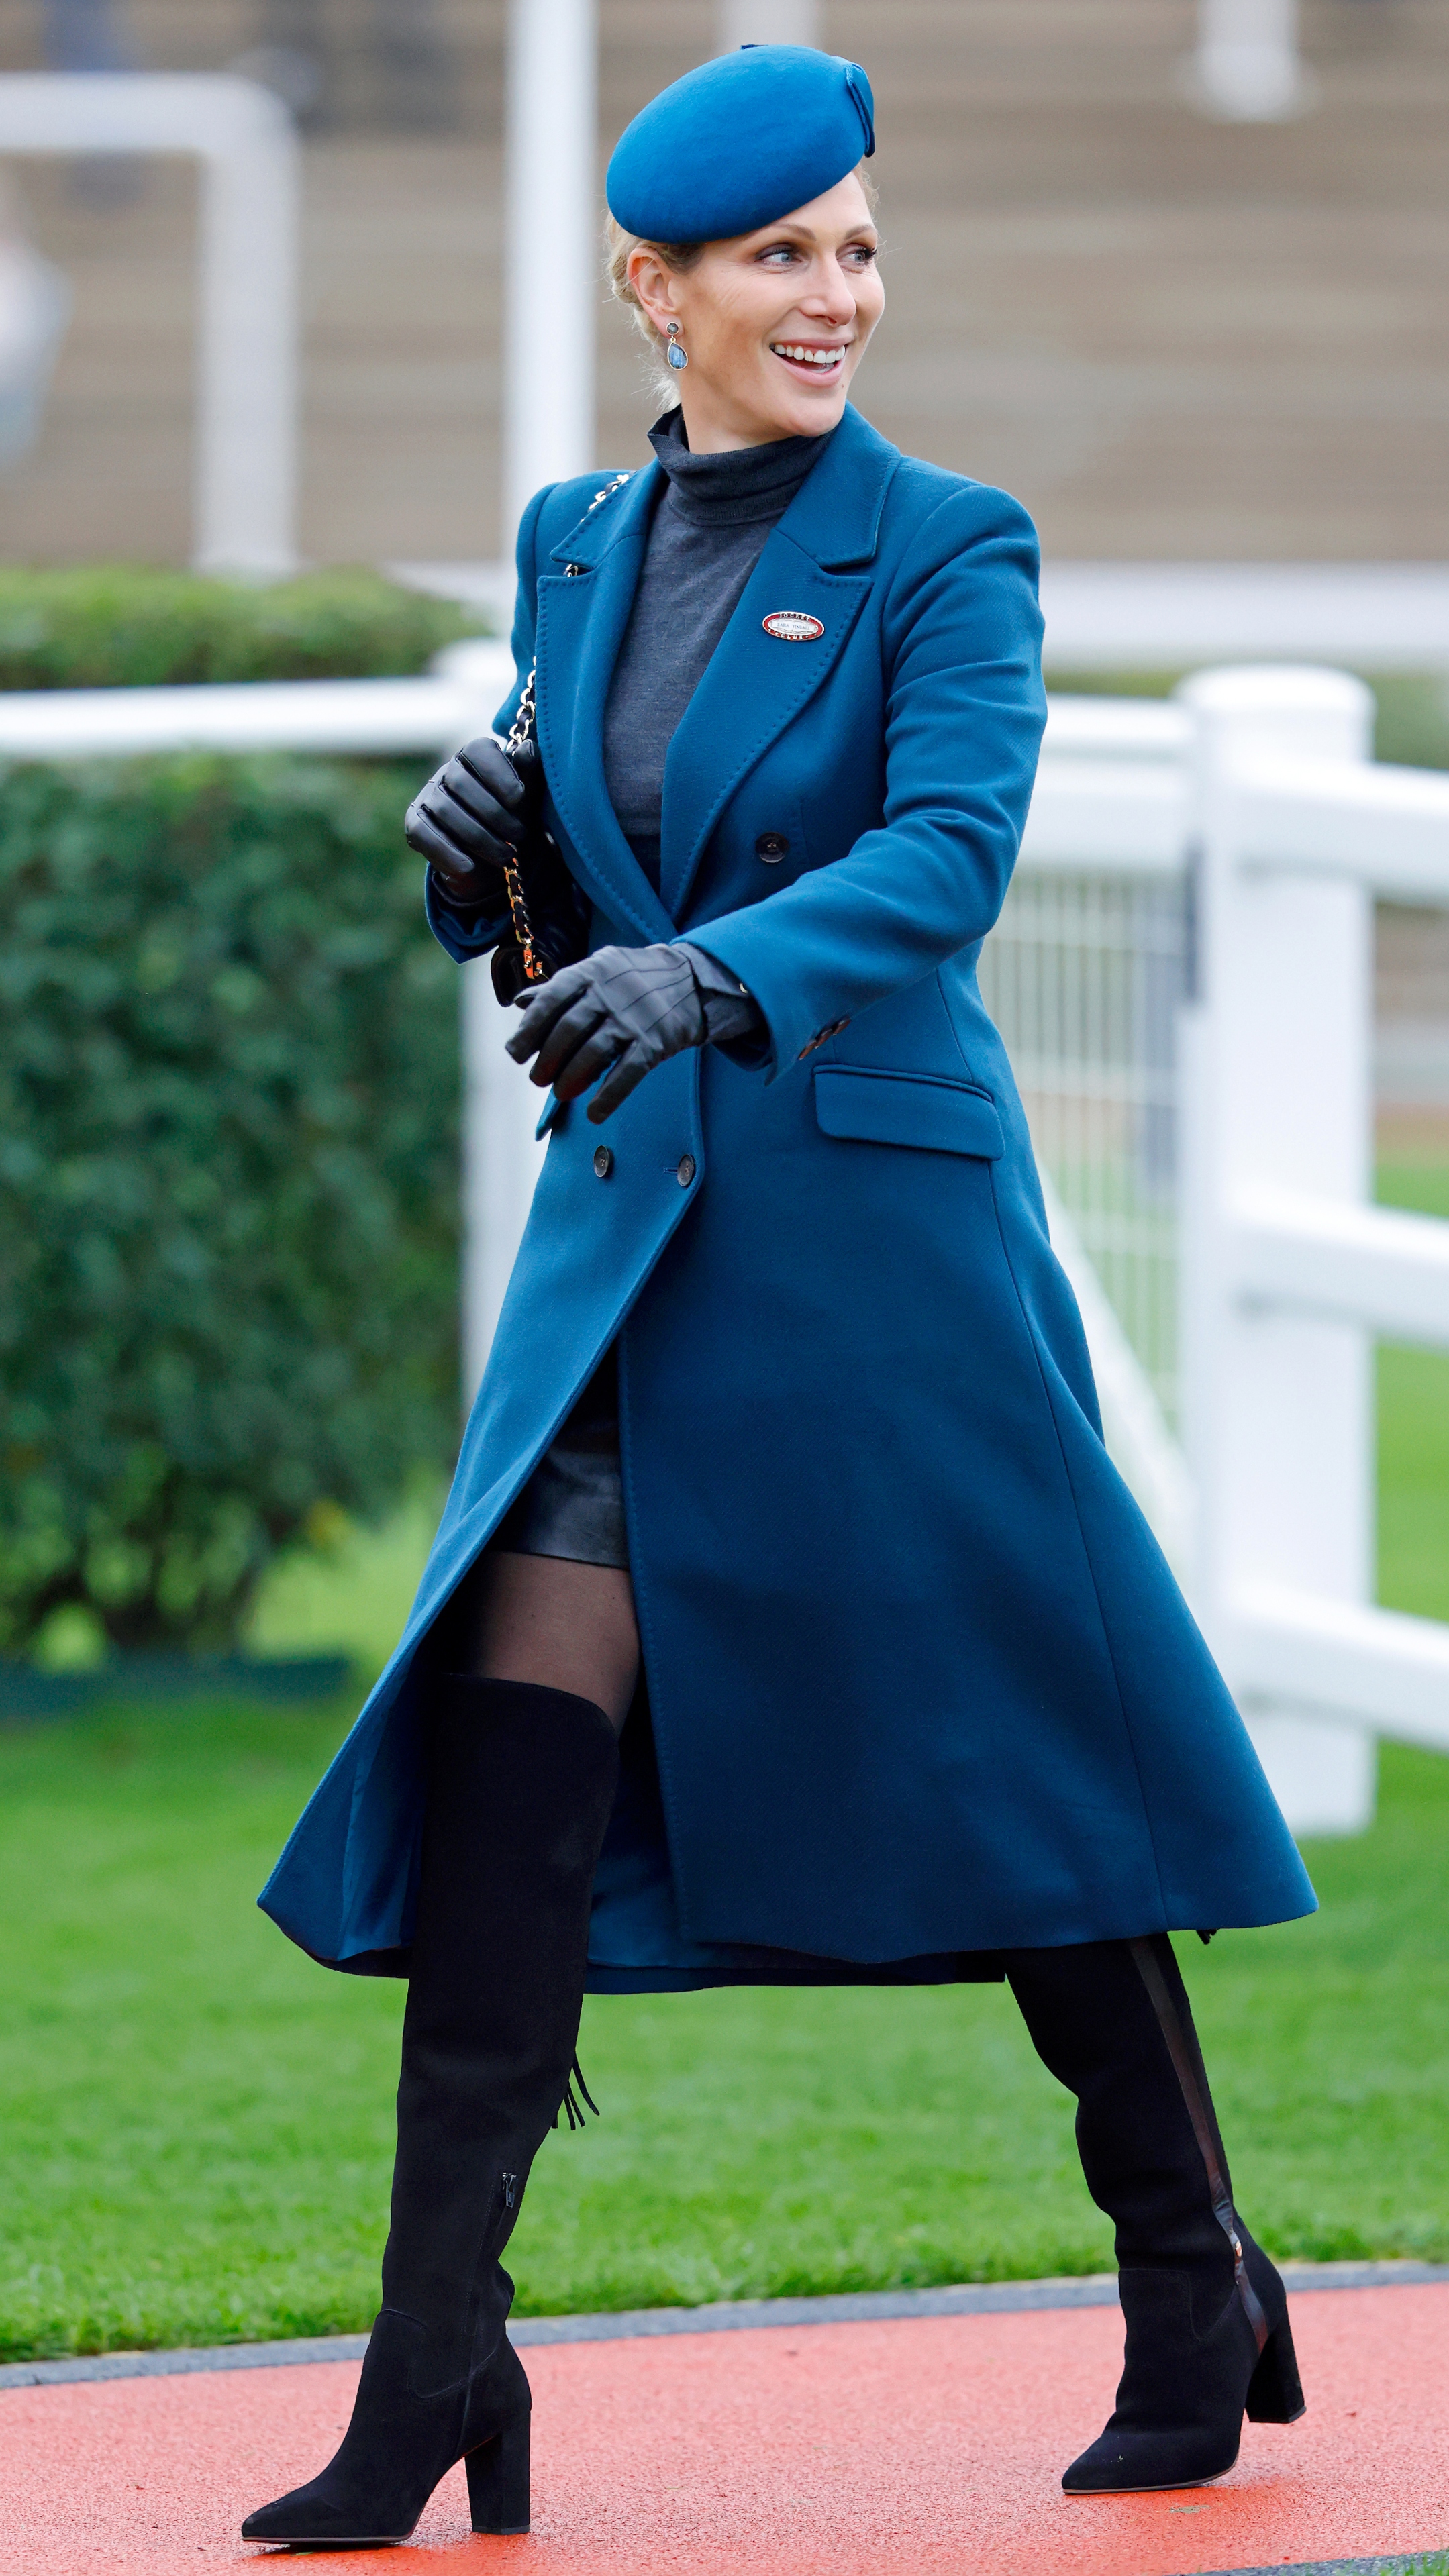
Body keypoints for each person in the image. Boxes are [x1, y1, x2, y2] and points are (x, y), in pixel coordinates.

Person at [244, 43, 1316, 2550]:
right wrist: (472, 856)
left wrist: (709, 975)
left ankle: (1192, 2279)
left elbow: (949, 856)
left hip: (881, 1267)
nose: (833, 295)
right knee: (511, 1782)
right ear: (660, 290)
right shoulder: (569, 536)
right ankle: (435, 2373)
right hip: (634, 1255)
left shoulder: (956, 542)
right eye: (778, 258)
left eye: (854, 248)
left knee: (1025, 1779)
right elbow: (565, 889)